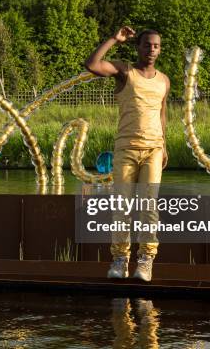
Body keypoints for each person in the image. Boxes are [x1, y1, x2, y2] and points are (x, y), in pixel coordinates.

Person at [84, 26, 170, 282]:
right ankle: (120, 260)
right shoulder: (125, 71)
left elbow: (162, 113)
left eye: (156, 46)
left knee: (149, 206)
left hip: (153, 149)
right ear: (138, 47)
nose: (151, 50)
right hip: (126, 148)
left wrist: (164, 144)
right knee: (122, 206)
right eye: (147, 45)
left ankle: (145, 261)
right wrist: (114, 39)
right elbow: (92, 64)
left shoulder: (164, 80)